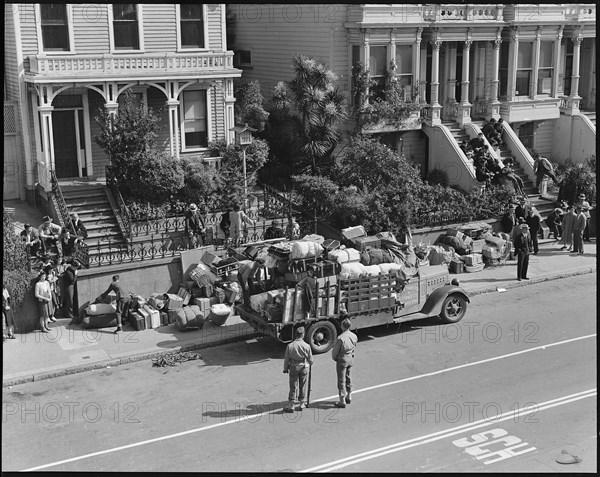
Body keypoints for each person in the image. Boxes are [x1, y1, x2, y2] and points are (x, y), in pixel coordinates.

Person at [282, 326, 313, 412]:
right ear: (303, 335)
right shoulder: (307, 346)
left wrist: (285, 369)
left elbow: (287, 359)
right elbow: (311, 360)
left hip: (293, 367)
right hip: (304, 367)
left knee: (293, 386)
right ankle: (302, 403)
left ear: (296, 335)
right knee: (303, 385)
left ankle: (291, 404)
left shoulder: (290, 346)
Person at [331, 318, 358, 408]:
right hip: (350, 357)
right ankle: (349, 395)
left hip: (342, 359)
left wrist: (335, 358)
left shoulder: (340, 338)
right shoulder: (354, 336)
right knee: (348, 376)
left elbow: (335, 352)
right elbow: (354, 347)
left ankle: (342, 400)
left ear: (342, 326)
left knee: (341, 380)